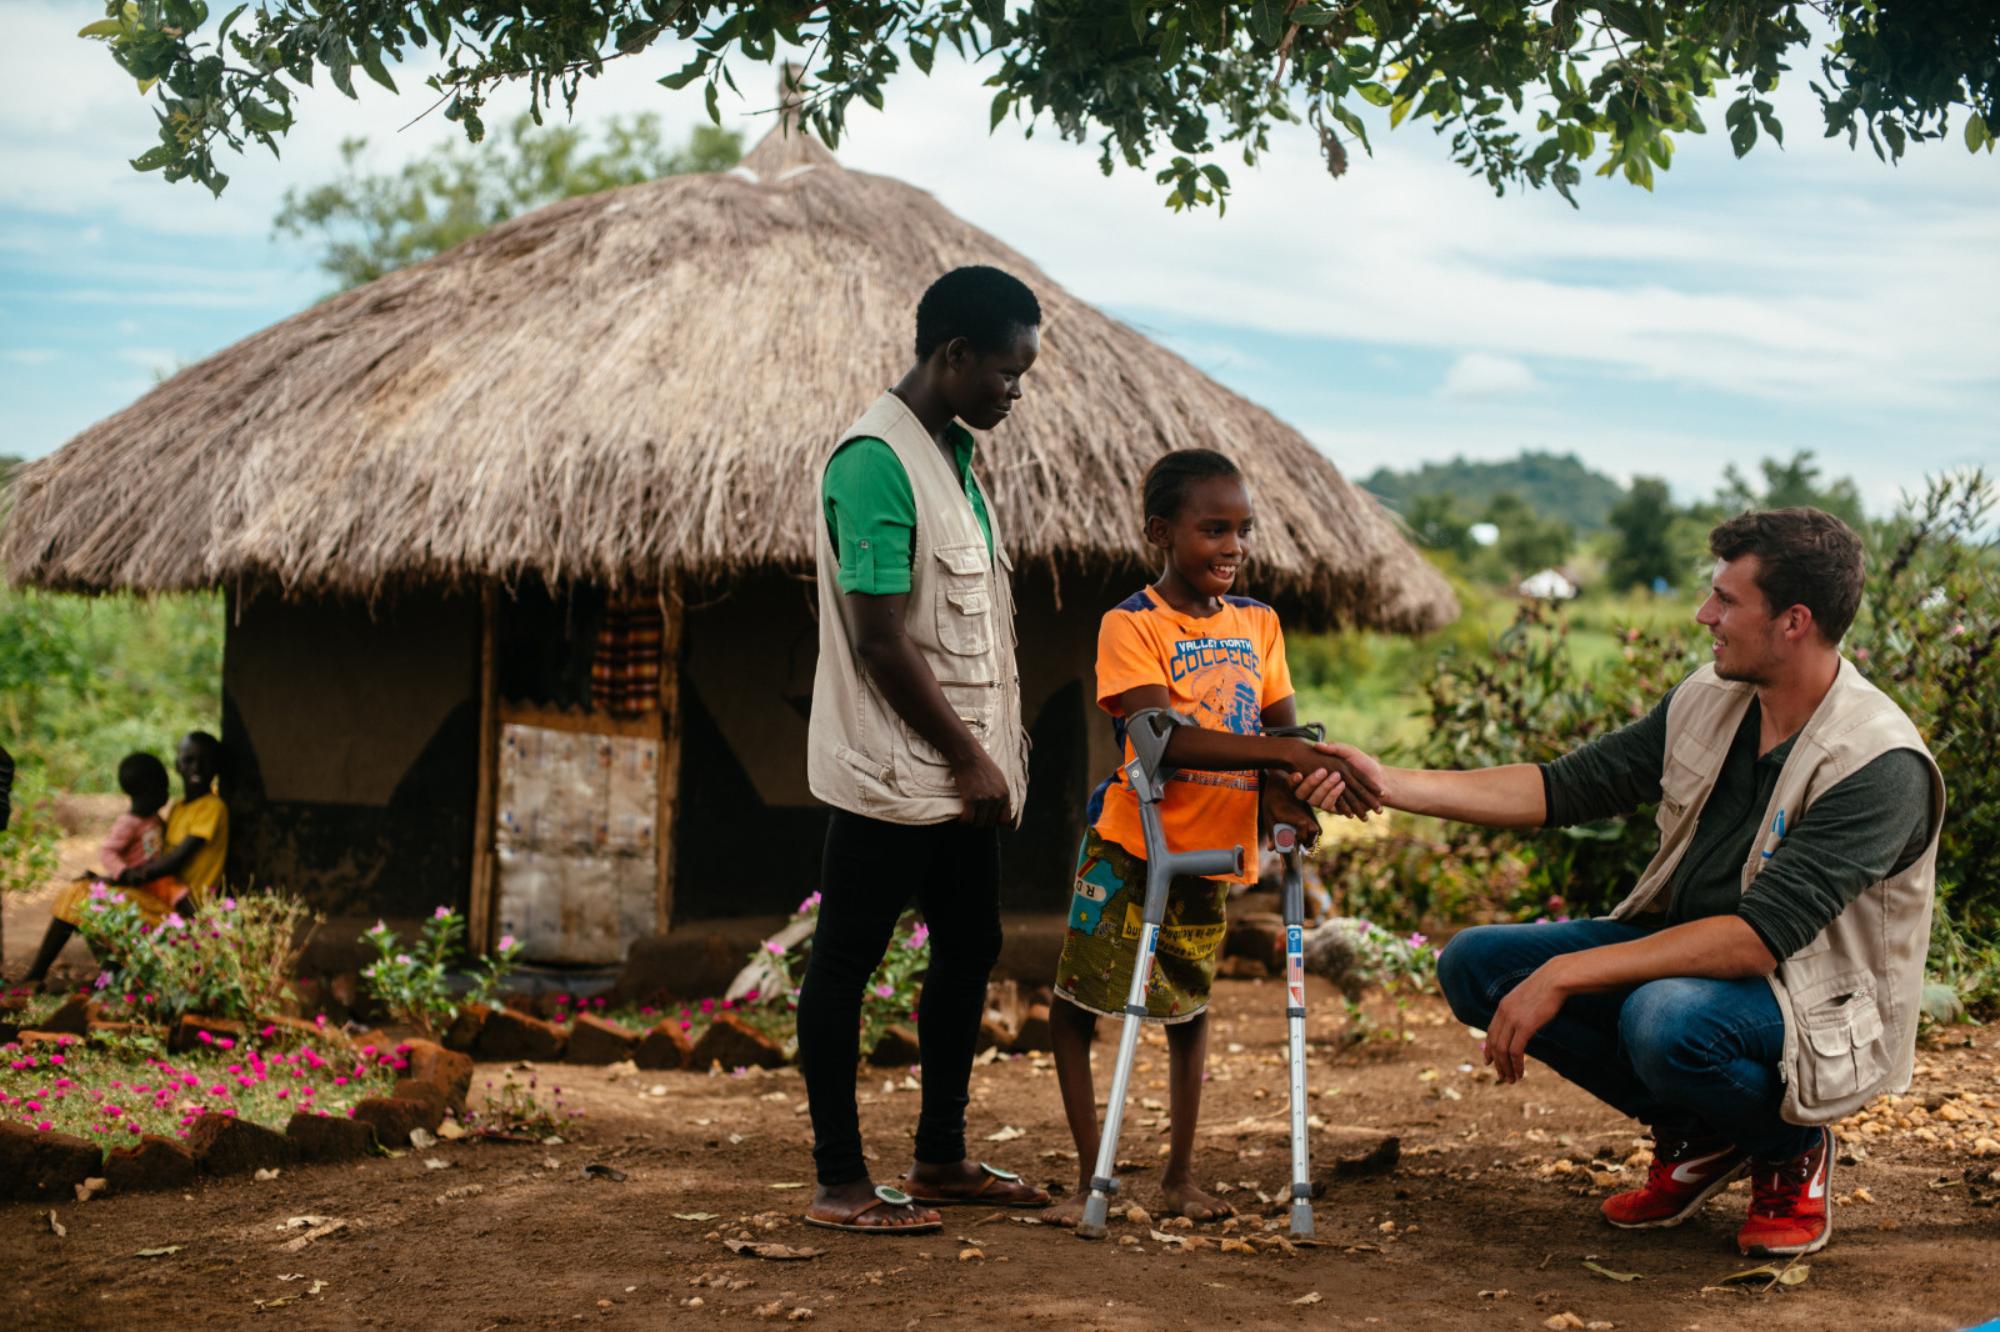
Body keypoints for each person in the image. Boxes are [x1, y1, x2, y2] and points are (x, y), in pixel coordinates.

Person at [1315, 508, 1942, 1258]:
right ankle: (1702, 1135)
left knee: (1664, 1018)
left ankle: (1786, 1148)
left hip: (1804, 996)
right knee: (1474, 964)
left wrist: (1565, 972)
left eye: (1726, 601)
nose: (1703, 614)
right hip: (1685, 952)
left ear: (1793, 622)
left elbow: (1755, 941)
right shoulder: (1710, 698)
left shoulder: (1880, 764)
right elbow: (1563, 788)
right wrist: (1387, 783)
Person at [1042, 448, 1381, 1228]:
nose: (1233, 547)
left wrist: (1297, 795)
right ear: (1162, 532)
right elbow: (1165, 739)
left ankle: (1179, 1179)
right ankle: (1088, 1174)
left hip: (1218, 853)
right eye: (1213, 529)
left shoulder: (1258, 624)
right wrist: (1284, 755)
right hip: (1133, 845)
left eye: (1244, 531)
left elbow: (1285, 734)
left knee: (1190, 1011)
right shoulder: (1129, 625)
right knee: (1078, 1006)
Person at [798, 266, 1051, 1234]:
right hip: (895, 771)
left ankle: (939, 1158)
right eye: (1005, 373)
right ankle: (839, 1182)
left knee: (970, 945)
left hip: (958, 776)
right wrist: (970, 758)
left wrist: (981, 763)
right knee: (846, 964)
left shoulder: (950, 455)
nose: (1012, 393)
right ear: (952, 355)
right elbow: (878, 637)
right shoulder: (874, 461)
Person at [27, 732, 230, 985]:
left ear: (218, 767)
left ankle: (51, 977)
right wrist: (111, 878)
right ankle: (96, 977)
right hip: (158, 896)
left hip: (181, 912)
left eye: (206, 761)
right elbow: (152, 858)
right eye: (189, 760)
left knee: (83, 897)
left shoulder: (213, 807)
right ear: (177, 765)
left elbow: (175, 860)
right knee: (81, 892)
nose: (197, 767)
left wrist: (125, 878)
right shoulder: (178, 807)